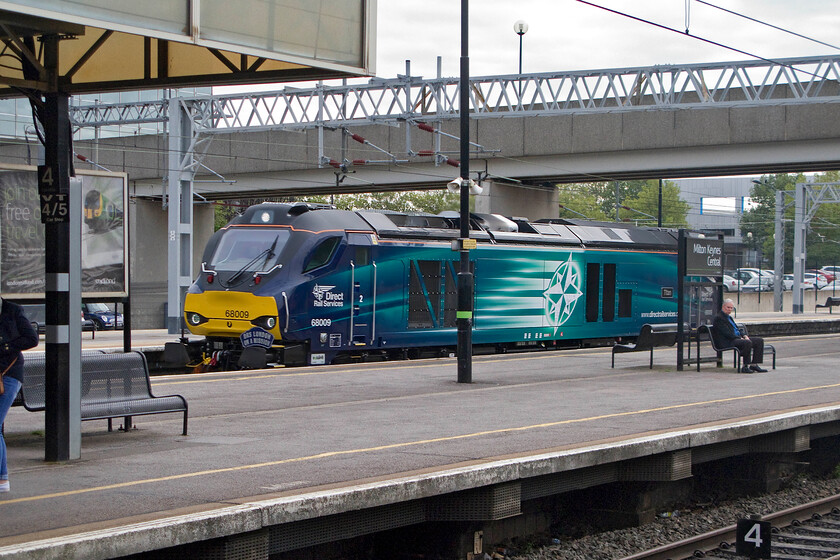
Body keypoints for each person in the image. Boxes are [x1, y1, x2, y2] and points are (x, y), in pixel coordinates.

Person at [0, 298, 39, 492]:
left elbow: (32, 339)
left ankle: (3, 479)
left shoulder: (13, 310)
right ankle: (2, 479)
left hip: (9, 373)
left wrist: (5, 347)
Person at [711, 299, 767, 373]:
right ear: (723, 307)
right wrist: (740, 338)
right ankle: (745, 366)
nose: (730, 309)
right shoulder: (719, 318)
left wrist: (744, 335)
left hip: (736, 339)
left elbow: (736, 329)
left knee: (759, 341)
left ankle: (754, 365)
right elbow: (727, 333)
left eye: (731, 308)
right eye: (728, 307)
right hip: (727, 341)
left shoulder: (729, 317)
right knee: (747, 343)